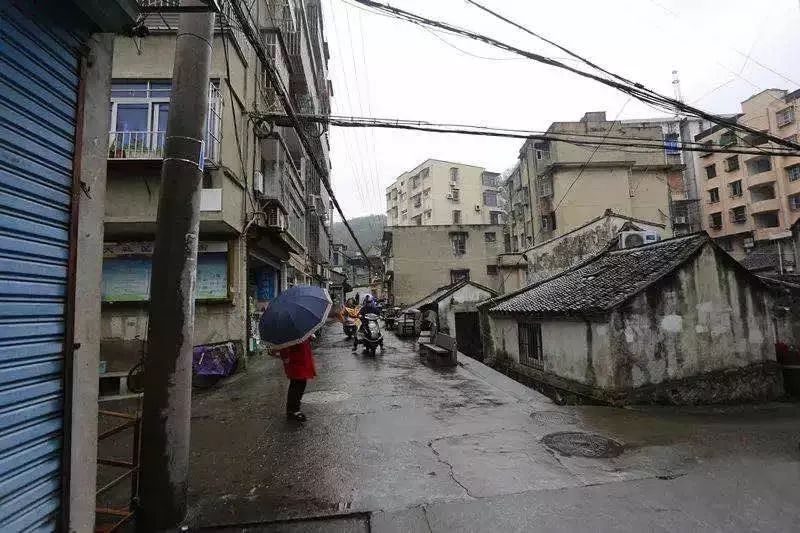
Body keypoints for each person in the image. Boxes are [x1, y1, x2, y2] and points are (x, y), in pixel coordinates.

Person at [274, 337, 316, 422]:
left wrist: (309, 337)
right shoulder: (287, 331)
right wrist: (285, 356)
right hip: (295, 360)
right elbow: (284, 344)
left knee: (300, 384)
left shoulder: (297, 329)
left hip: (302, 357)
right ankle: (293, 410)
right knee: (297, 384)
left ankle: (294, 408)